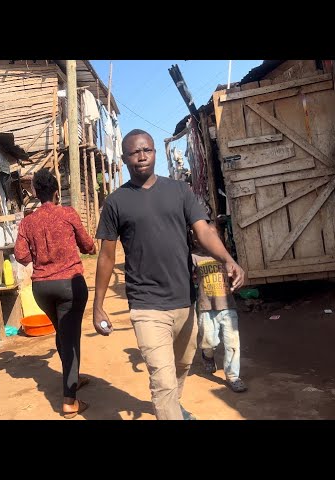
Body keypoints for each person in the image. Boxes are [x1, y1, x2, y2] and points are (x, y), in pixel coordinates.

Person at [92, 128, 245, 420]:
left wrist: (227, 259)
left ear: (155, 153)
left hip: (184, 301)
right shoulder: (116, 202)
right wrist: (98, 304)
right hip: (146, 305)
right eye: (135, 152)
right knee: (162, 383)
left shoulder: (179, 191)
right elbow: (107, 256)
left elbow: (203, 231)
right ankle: (171, 410)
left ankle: (175, 408)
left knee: (182, 366)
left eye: (147, 150)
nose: (142, 156)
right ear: (124, 159)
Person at [15, 168, 96, 418]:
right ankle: (69, 401)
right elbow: (88, 246)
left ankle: (74, 378)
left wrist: (39, 256)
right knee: (70, 339)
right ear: (57, 191)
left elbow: (21, 255)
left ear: (36, 192)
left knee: (63, 333)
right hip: (69, 285)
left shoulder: (28, 221)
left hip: (42, 288)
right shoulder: (67, 213)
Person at [192, 224, 247, 393]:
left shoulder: (226, 257)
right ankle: (207, 354)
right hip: (206, 307)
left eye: (215, 236)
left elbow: (236, 275)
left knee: (232, 343)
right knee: (209, 340)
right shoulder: (194, 258)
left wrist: (235, 280)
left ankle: (233, 376)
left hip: (227, 307)